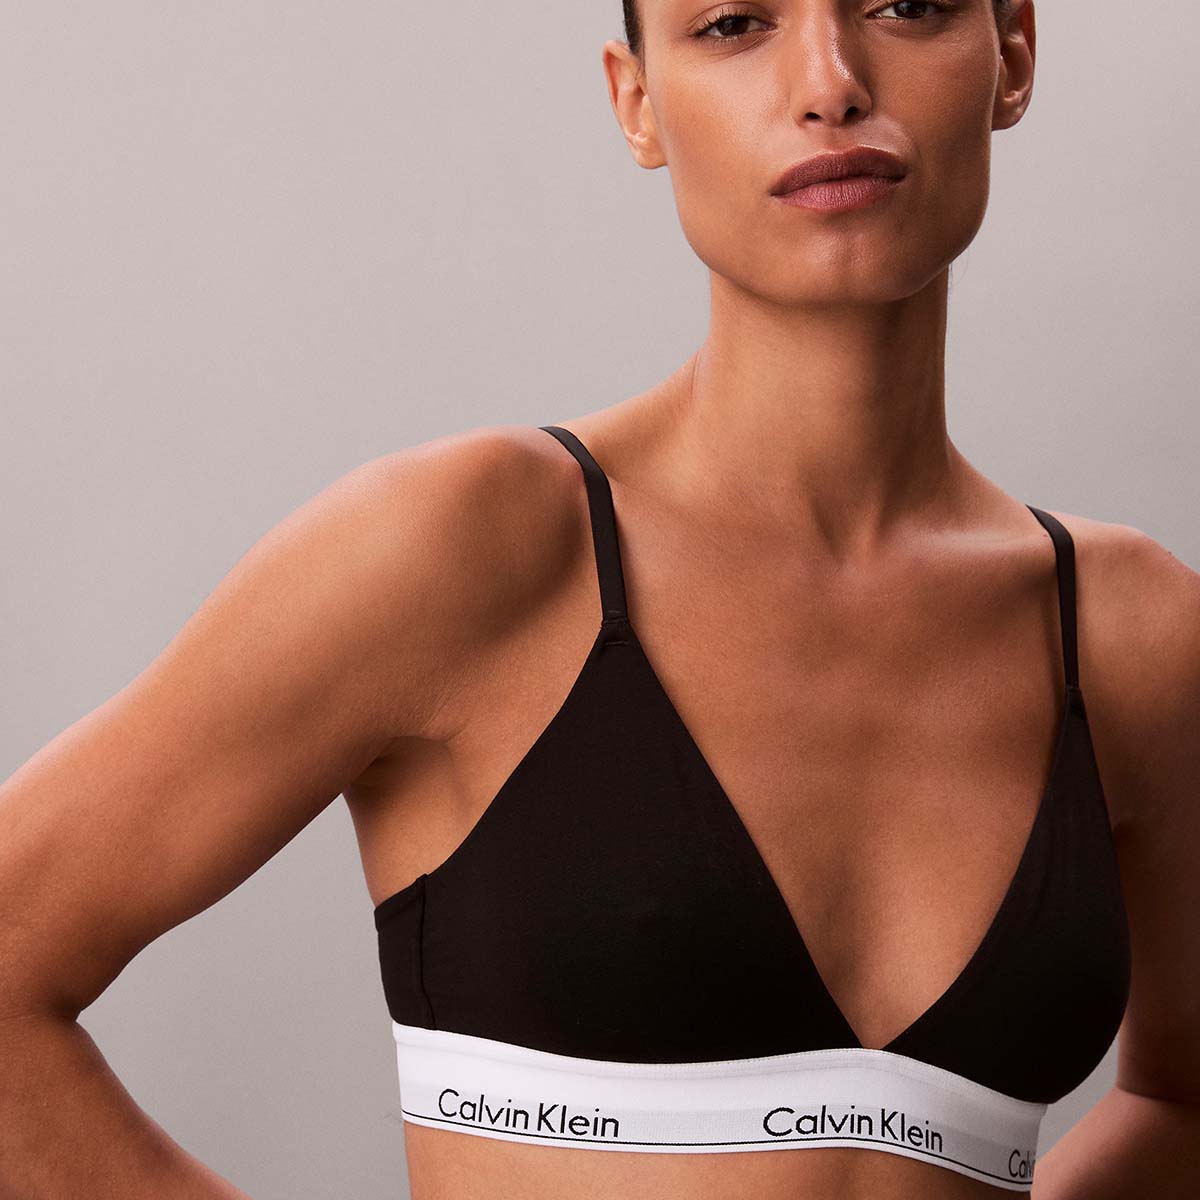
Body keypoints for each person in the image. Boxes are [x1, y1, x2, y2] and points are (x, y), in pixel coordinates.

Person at [2, 0, 1198, 1197]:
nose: (831, 81)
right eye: (735, 23)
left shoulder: (1132, 638)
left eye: (909, 5)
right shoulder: (471, 553)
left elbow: (1182, 1103)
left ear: (1013, 54)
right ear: (638, 104)